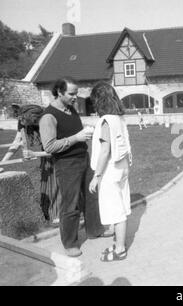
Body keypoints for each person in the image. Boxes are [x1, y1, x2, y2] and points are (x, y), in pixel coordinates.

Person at [39, 77, 111, 258]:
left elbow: (73, 132)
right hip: (66, 164)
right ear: (59, 92)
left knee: (91, 196)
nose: (74, 97)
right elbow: (49, 146)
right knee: (70, 205)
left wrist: (85, 131)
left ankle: (95, 230)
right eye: (71, 94)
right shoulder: (48, 116)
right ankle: (70, 243)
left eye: (76, 93)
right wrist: (76, 138)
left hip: (83, 159)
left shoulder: (71, 110)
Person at [88, 82, 132, 262]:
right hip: (122, 167)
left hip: (110, 170)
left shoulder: (106, 120)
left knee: (116, 211)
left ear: (98, 100)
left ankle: (120, 249)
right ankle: (118, 243)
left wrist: (96, 177)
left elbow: (105, 150)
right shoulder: (119, 118)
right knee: (120, 205)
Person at [1, 104, 62, 226]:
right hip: (47, 152)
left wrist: (35, 153)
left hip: (60, 151)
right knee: (46, 182)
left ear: (32, 117)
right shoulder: (23, 121)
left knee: (57, 182)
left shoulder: (47, 120)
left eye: (23, 120)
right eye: (20, 120)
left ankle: (59, 215)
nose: (21, 123)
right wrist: (2, 162)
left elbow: (56, 147)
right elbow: (16, 143)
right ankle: (47, 213)